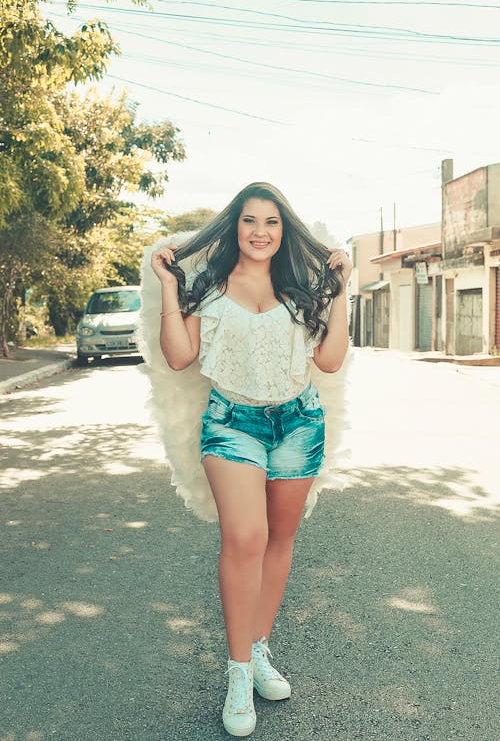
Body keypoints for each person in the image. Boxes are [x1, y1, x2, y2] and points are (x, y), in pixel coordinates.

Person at [143, 181, 352, 737]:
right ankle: (238, 675)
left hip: (299, 422)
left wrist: (341, 290)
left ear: (285, 232)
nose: (261, 232)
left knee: (281, 538)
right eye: (250, 221)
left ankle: (258, 651)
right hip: (233, 423)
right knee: (245, 538)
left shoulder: (303, 289)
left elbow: (329, 362)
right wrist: (169, 285)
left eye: (273, 223)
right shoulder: (208, 289)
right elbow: (180, 355)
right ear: (234, 227)